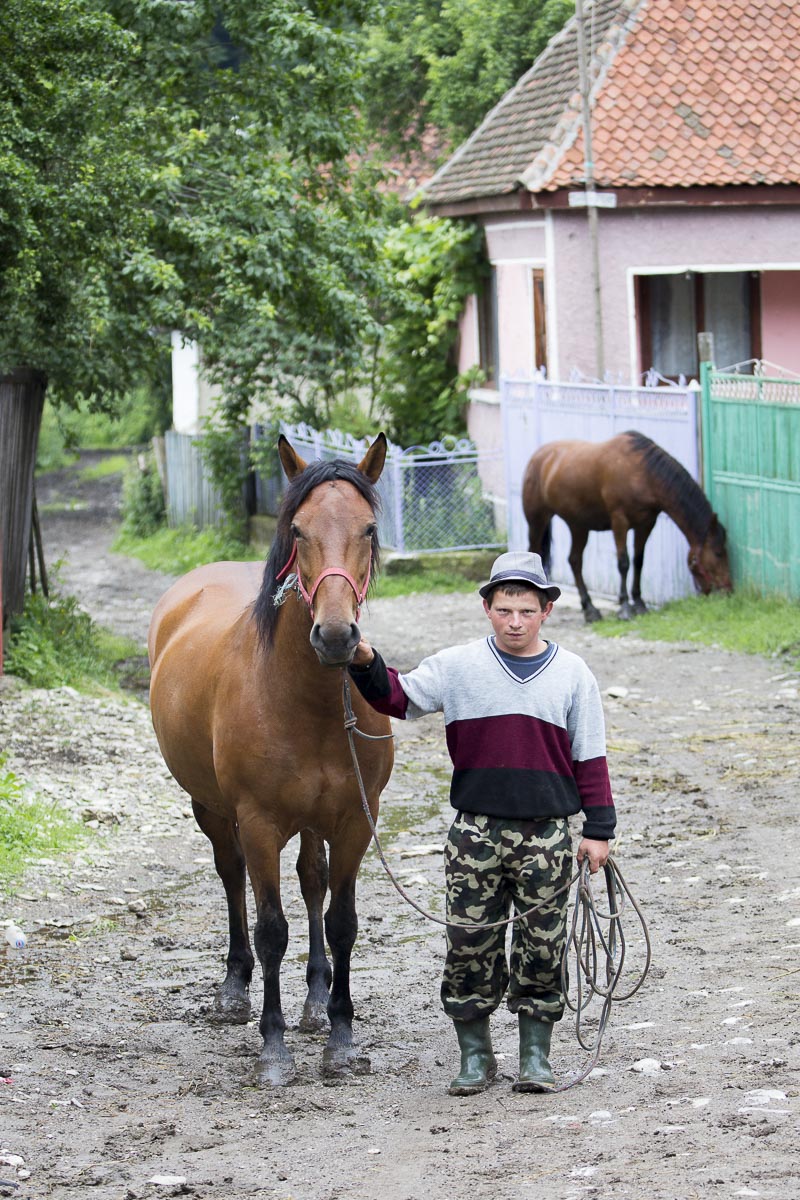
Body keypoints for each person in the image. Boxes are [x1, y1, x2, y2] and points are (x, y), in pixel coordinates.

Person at [348, 550, 616, 1095]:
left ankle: (535, 1057)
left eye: (526, 610)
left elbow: (591, 755)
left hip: (547, 835)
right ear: (487, 609)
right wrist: (361, 657)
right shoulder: (458, 666)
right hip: (475, 834)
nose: (515, 621)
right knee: (469, 941)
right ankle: (476, 1057)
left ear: (546, 611)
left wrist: (599, 830)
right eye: (504, 610)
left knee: (543, 942)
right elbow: (397, 697)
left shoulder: (572, 673)